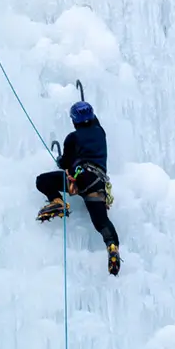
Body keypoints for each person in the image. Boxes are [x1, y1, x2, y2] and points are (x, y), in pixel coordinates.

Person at [36, 100, 120, 276]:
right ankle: (112, 246)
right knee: (101, 221)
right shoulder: (100, 133)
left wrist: (60, 160)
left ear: (74, 121)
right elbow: (93, 123)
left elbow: (65, 163)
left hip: (79, 178)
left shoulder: (72, 138)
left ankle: (57, 201)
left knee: (43, 181)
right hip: (97, 183)